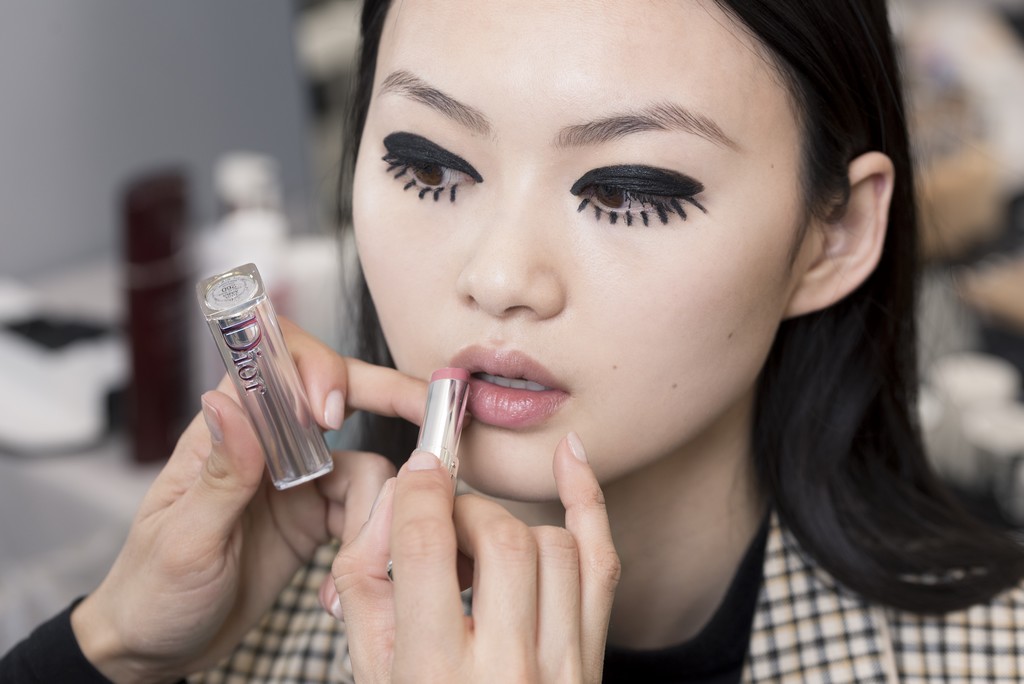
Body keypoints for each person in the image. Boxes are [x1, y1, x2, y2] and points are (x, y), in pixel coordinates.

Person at [4, 0, 1024, 682]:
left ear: (832, 235)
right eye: (427, 167)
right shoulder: (222, 628)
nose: (497, 277)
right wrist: (109, 649)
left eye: (628, 191)